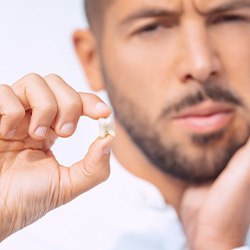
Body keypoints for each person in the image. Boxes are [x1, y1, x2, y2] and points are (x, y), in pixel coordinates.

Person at [1, 0, 250, 249]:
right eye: (151, 28)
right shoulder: (23, 236)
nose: (201, 65)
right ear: (92, 59)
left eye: (229, 18)